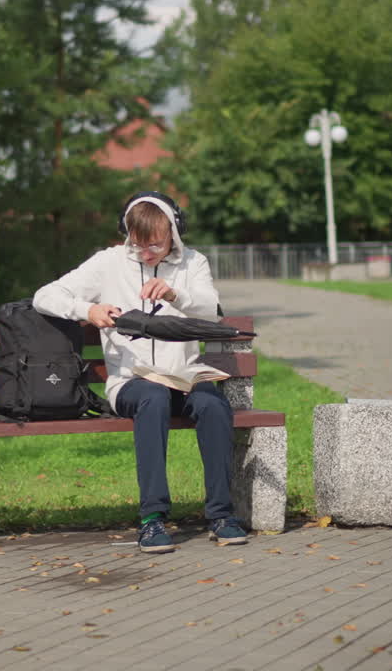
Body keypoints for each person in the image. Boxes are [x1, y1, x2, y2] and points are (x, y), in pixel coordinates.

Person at [33, 191, 247, 553]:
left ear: (174, 232)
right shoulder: (109, 263)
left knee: (213, 406)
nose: (146, 253)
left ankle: (221, 515)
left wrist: (177, 295)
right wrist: (88, 310)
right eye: (139, 244)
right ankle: (152, 519)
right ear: (126, 232)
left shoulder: (193, 263)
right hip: (131, 383)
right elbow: (45, 296)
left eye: (155, 245)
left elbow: (211, 310)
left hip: (184, 377)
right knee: (153, 396)